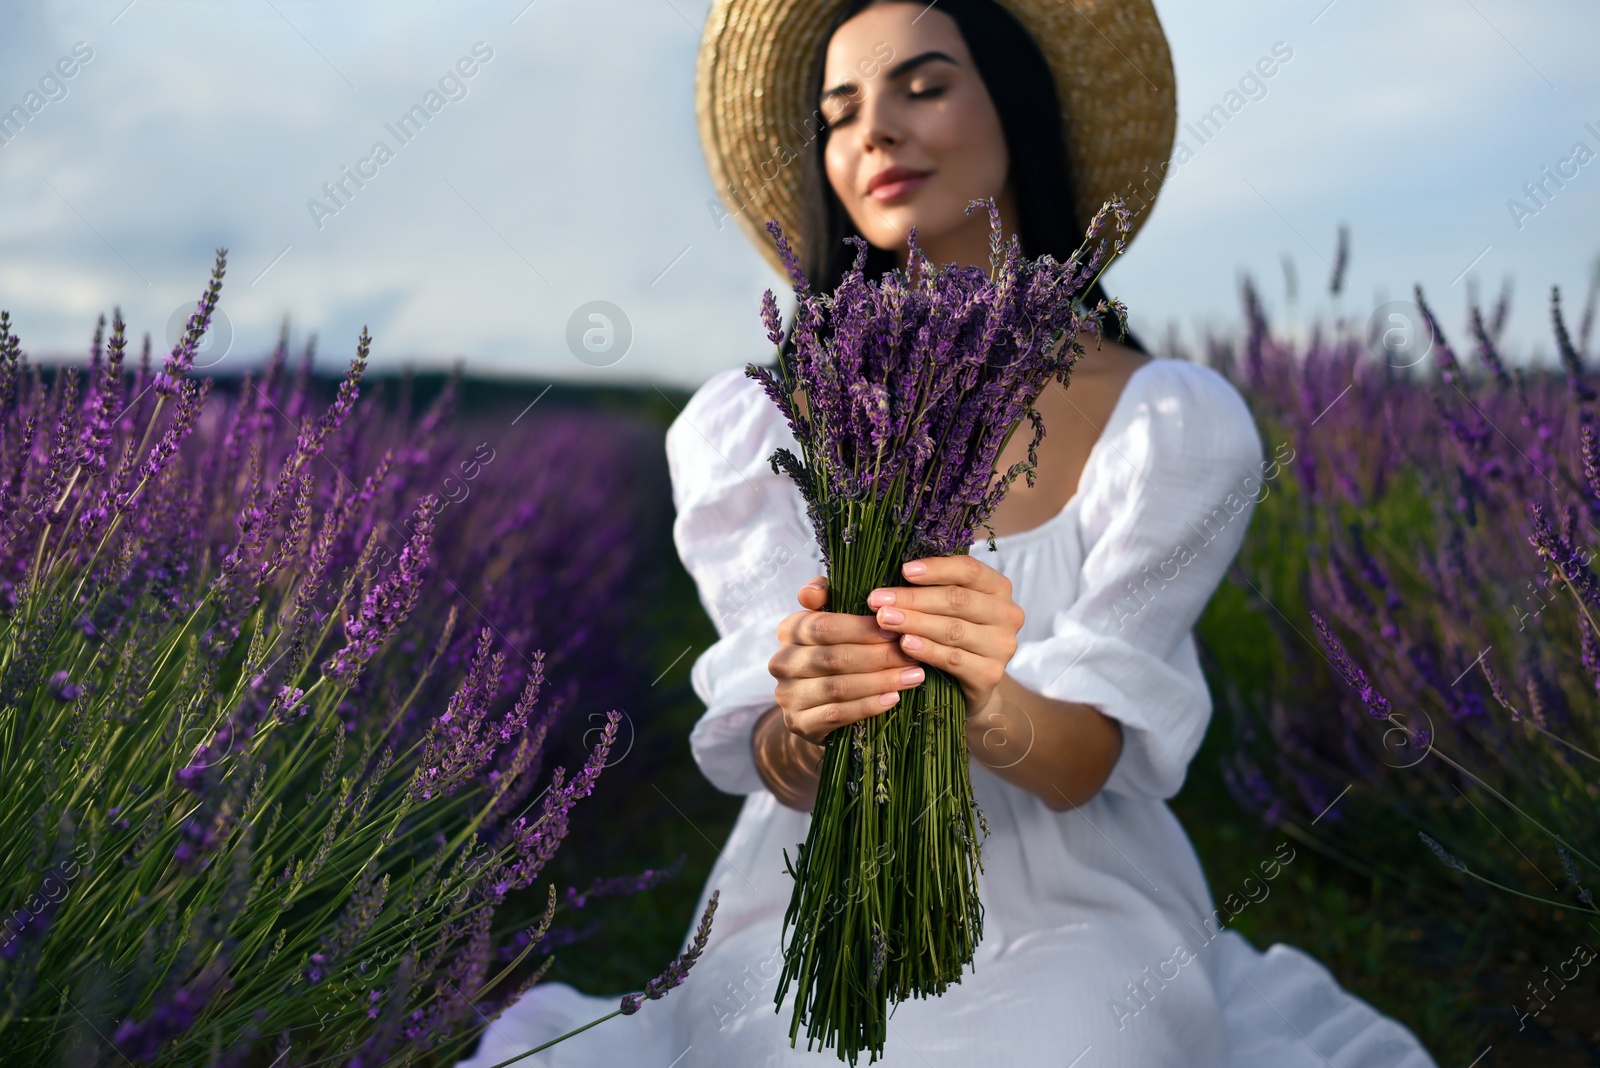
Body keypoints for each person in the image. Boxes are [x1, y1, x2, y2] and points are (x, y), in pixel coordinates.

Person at [458, 1, 1441, 1065]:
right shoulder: (753, 427)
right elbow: (781, 765)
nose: (873, 131)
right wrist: (807, 711)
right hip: (816, 891)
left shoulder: (1166, 423)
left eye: (922, 87)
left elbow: (1081, 767)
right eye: (838, 113)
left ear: (1019, 109)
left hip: (1077, 898)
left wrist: (986, 694)